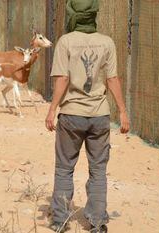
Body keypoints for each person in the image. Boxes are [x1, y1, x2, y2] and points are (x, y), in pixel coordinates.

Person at [45, 0, 130, 232]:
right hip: (100, 115)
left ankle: (61, 220)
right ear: (94, 15)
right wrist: (122, 111)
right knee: (98, 170)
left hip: (71, 115)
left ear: (72, 15)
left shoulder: (66, 41)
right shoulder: (107, 43)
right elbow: (112, 79)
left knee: (64, 168)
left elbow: (62, 79)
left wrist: (52, 109)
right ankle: (97, 222)